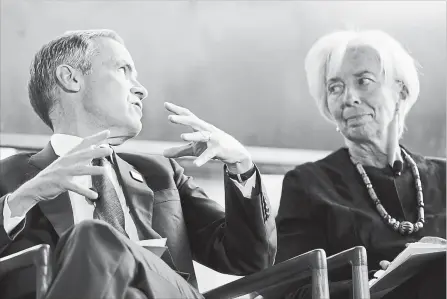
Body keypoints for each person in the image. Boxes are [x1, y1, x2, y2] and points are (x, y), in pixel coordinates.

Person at [0, 29, 277, 299]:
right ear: (70, 78)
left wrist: (241, 165)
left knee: (95, 237)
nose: (141, 89)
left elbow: (251, 258)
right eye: (123, 70)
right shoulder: (11, 177)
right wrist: (25, 197)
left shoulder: (161, 174)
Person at [273, 30, 445, 299]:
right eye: (335, 88)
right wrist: (376, 286)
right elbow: (288, 292)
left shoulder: (443, 176)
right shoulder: (307, 185)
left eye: (363, 81)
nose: (348, 98)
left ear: (400, 90)